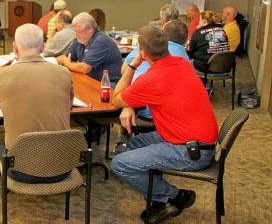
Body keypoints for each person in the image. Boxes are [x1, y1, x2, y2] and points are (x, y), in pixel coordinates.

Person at [110, 25, 218, 224]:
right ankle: (160, 202)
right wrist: (130, 103)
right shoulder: (182, 63)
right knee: (134, 144)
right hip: (196, 140)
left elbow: (116, 99)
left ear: (142, 52)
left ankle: (175, 196)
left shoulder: (151, 79)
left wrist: (133, 65)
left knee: (119, 163)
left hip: (191, 152)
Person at [0, 24, 73, 182]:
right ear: (43, 47)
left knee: (1, 147)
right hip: (62, 166)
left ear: (15, 47)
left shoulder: (1, 75)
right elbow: (68, 106)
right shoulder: (64, 73)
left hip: (21, 170)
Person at [111, 20, 190, 157]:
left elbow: (122, 79)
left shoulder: (150, 75)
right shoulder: (184, 62)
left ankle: (122, 140)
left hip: (152, 115)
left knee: (114, 85)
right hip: (179, 124)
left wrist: (127, 104)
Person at [57, 12, 122, 83]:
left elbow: (84, 68)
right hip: (90, 79)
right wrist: (50, 62)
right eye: (75, 31)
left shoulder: (100, 41)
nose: (76, 34)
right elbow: (66, 57)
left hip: (108, 83)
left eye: (79, 31)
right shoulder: (80, 39)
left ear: (90, 29)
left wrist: (67, 64)